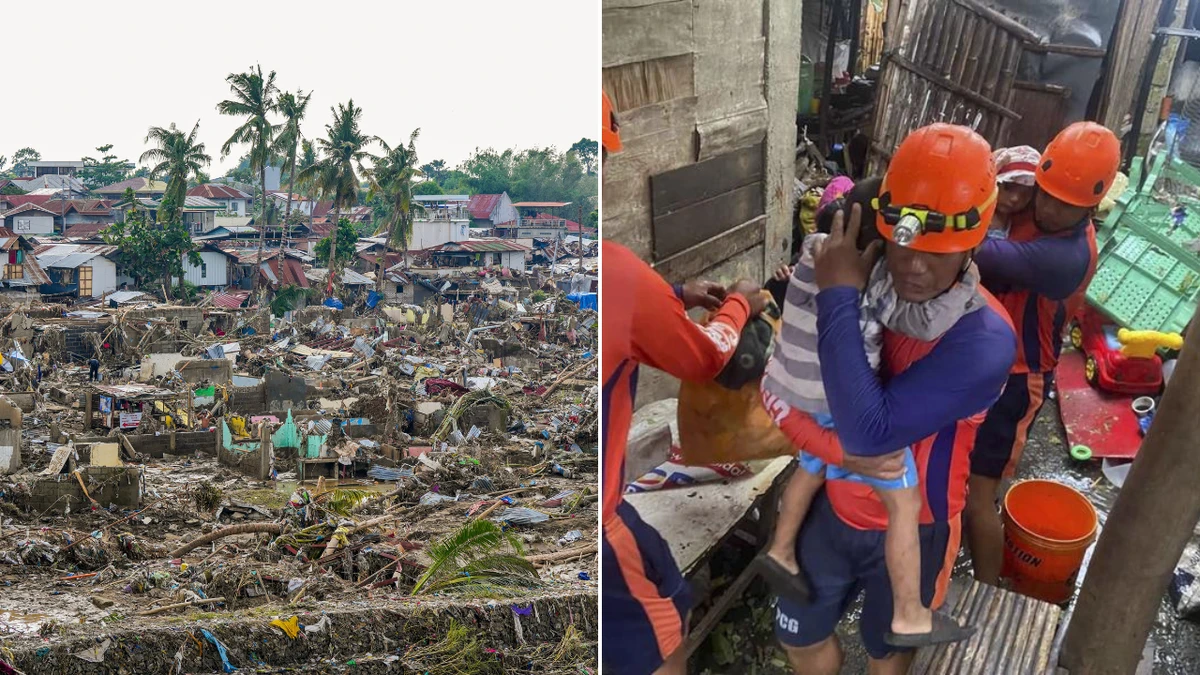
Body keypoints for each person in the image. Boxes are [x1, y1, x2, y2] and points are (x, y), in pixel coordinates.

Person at [760, 124, 1017, 675]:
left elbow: (866, 434)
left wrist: (835, 294)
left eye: (939, 253)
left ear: (975, 240)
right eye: (905, 244)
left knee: (886, 661)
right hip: (836, 509)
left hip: (917, 527)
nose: (915, 267)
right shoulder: (865, 286)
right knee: (801, 640)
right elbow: (786, 388)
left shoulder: (983, 340)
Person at [601, 89, 768, 675]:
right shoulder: (616, 272)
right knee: (663, 632)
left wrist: (671, 296)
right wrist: (739, 307)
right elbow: (708, 359)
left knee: (662, 580)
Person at [966, 121, 1119, 585]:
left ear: (1091, 206)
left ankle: (988, 591)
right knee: (954, 470)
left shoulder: (1066, 256)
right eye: (1045, 193)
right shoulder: (1039, 195)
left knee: (979, 495)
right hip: (980, 358)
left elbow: (980, 252)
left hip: (1019, 377)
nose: (1048, 208)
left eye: (1064, 204)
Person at [989, 146, 1040, 239]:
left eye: (1025, 194)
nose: (1015, 198)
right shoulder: (975, 212)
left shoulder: (1022, 224)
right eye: (1008, 188)